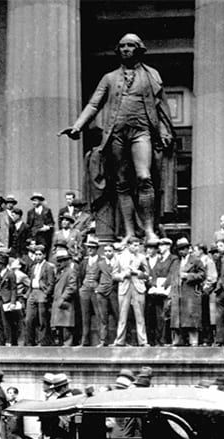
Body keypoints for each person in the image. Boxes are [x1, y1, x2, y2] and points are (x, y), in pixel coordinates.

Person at [60, 34, 174, 241]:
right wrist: (78, 126)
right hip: (116, 134)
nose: (126, 49)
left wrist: (165, 130)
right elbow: (94, 104)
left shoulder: (151, 75)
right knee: (122, 183)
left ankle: (149, 230)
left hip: (142, 131)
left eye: (130, 46)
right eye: (122, 46)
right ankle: (129, 232)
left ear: (139, 49)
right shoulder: (109, 78)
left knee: (144, 177)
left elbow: (161, 106)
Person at [112, 237, 149, 346]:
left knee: (140, 316)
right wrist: (123, 275)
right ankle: (120, 341)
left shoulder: (142, 257)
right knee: (122, 316)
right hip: (124, 287)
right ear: (128, 245)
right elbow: (114, 275)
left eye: (138, 245)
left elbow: (147, 275)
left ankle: (143, 341)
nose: (137, 248)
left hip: (138, 287)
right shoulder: (119, 257)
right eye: (134, 245)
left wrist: (138, 273)